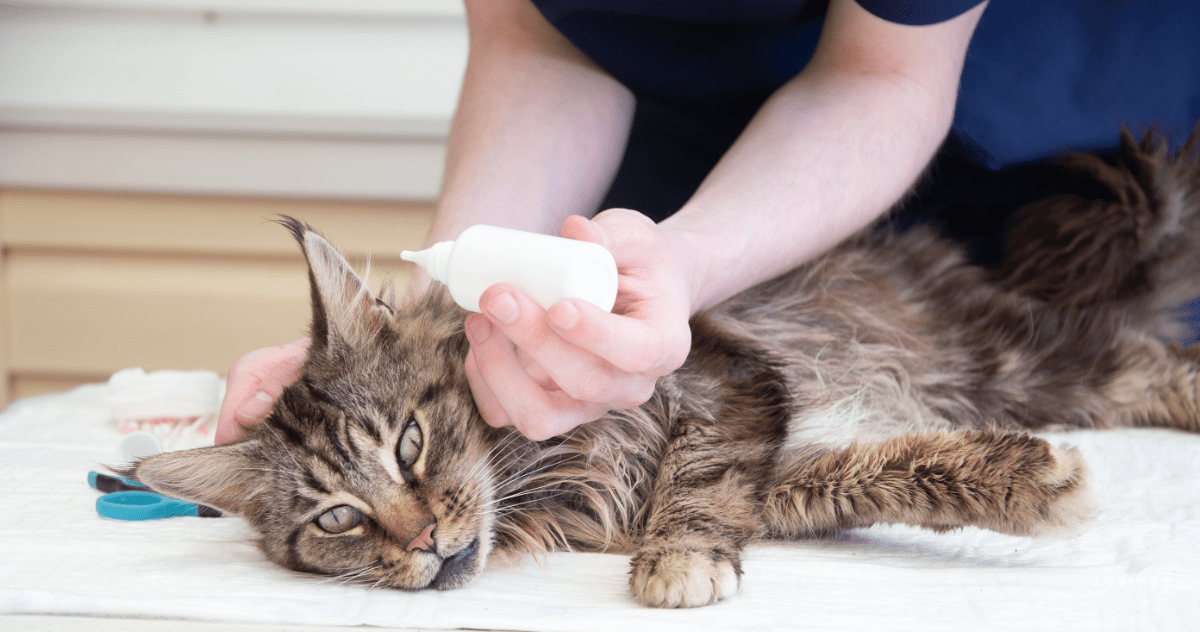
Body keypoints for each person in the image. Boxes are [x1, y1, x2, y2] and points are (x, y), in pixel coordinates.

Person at [216, 0, 1200, 446]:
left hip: (1054, 167)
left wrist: (693, 256)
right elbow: (537, 40)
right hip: (681, 168)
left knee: (1089, 399)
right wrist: (431, 330)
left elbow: (881, 73)